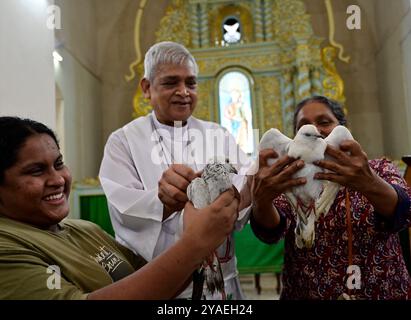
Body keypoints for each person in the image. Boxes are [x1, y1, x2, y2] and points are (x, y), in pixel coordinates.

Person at [0, 116, 239, 299]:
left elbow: (155, 283)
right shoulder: (7, 246)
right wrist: (196, 242)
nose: (58, 179)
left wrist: (194, 210)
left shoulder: (84, 229)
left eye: (59, 164)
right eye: (36, 171)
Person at [99, 41, 251, 300]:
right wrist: (163, 201)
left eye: (191, 83)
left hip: (220, 283)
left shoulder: (219, 135)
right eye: (171, 83)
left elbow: (244, 197)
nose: (184, 92)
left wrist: (248, 188)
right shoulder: (123, 140)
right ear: (147, 88)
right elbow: (122, 207)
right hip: (160, 286)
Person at [250, 95, 411, 299]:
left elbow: (405, 211)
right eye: (305, 126)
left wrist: (368, 182)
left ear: (342, 129)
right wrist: (262, 200)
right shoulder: (289, 178)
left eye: (324, 122)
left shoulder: (378, 168)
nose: (316, 130)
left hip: (380, 290)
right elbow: (271, 232)